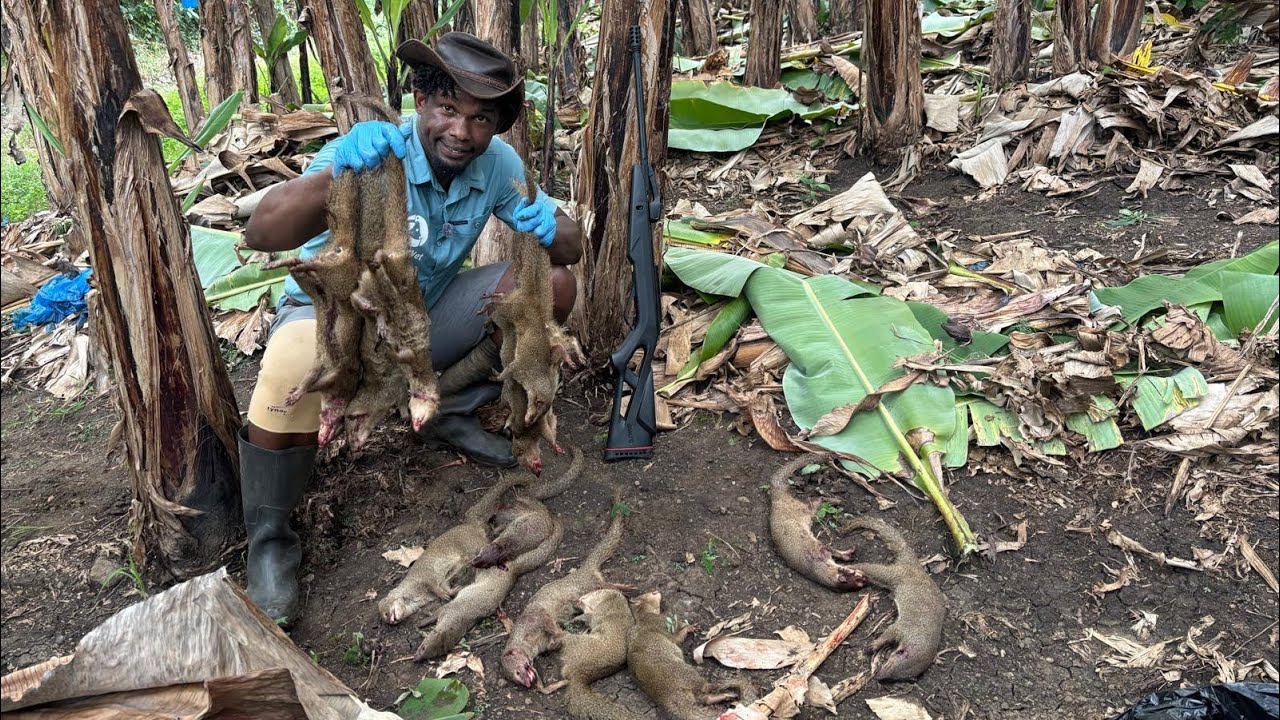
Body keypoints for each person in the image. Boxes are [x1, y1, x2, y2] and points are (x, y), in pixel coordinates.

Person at [236, 32, 583, 623]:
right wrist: (336, 177)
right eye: (448, 110)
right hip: (339, 321)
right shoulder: (376, 148)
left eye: (480, 119)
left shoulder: (497, 163)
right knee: (291, 367)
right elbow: (263, 234)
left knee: (551, 286)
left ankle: (447, 409)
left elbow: (570, 248)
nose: (461, 132)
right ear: (421, 100)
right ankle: (270, 541)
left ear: (496, 125)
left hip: (423, 323)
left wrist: (552, 225)